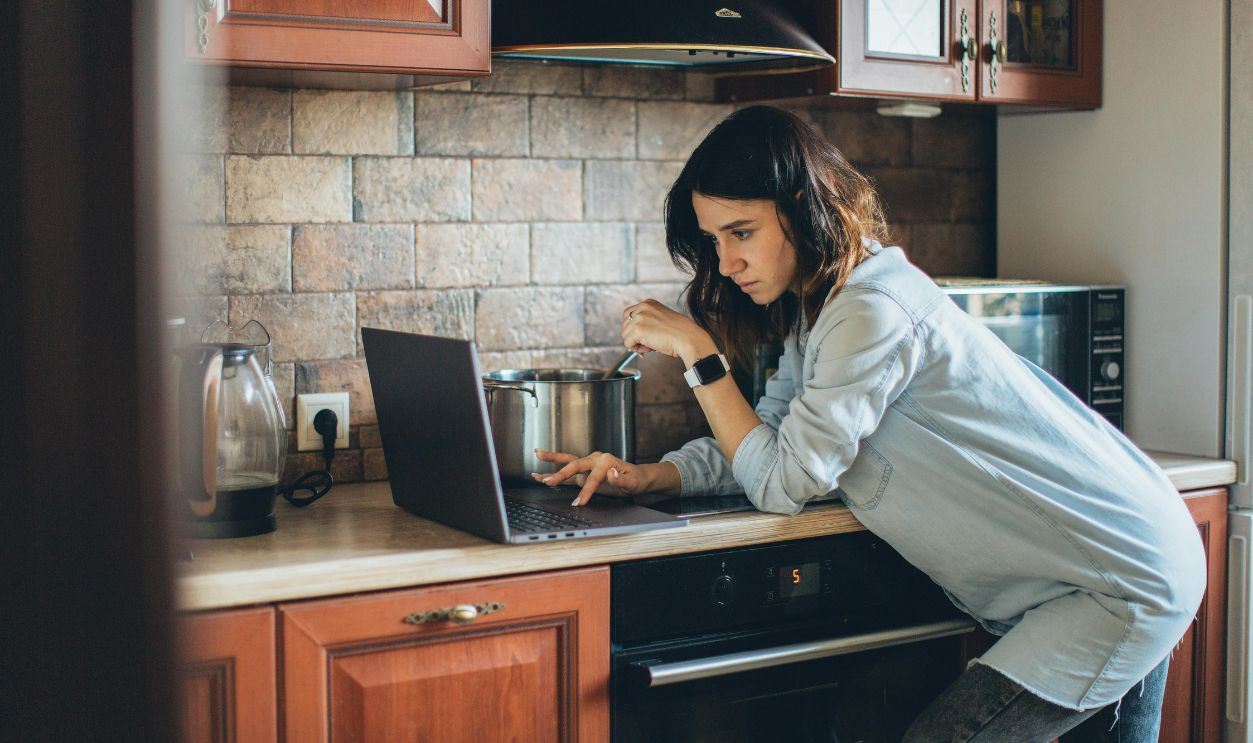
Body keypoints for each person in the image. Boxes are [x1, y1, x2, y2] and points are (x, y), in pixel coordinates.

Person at [532, 105, 1205, 742]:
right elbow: (765, 438)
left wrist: (699, 353)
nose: (726, 262)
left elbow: (782, 480)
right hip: (1111, 560)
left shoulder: (868, 309)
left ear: (803, 210)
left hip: (1117, 576)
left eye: (741, 233)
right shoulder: (822, 309)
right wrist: (651, 475)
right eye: (714, 241)